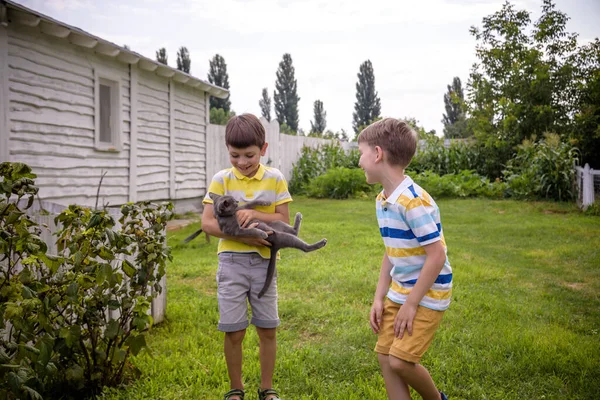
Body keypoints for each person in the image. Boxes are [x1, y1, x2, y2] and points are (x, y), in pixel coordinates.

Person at [357, 118, 451, 400]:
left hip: (428, 293)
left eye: (361, 154)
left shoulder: (412, 201)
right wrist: (378, 298)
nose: (360, 162)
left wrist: (411, 304)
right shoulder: (383, 199)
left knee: (400, 360)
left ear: (377, 154)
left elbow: (437, 254)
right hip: (399, 292)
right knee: (386, 358)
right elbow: (391, 250)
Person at [201, 114, 291, 400]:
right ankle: (235, 389)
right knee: (234, 331)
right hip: (231, 264)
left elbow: (283, 219)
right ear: (227, 149)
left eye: (249, 155)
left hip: (264, 264)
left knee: (267, 328)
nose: (242, 162)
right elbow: (207, 223)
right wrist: (242, 236)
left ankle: (267, 389)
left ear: (263, 149)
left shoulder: (275, 179)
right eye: (234, 155)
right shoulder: (221, 181)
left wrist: (253, 214)